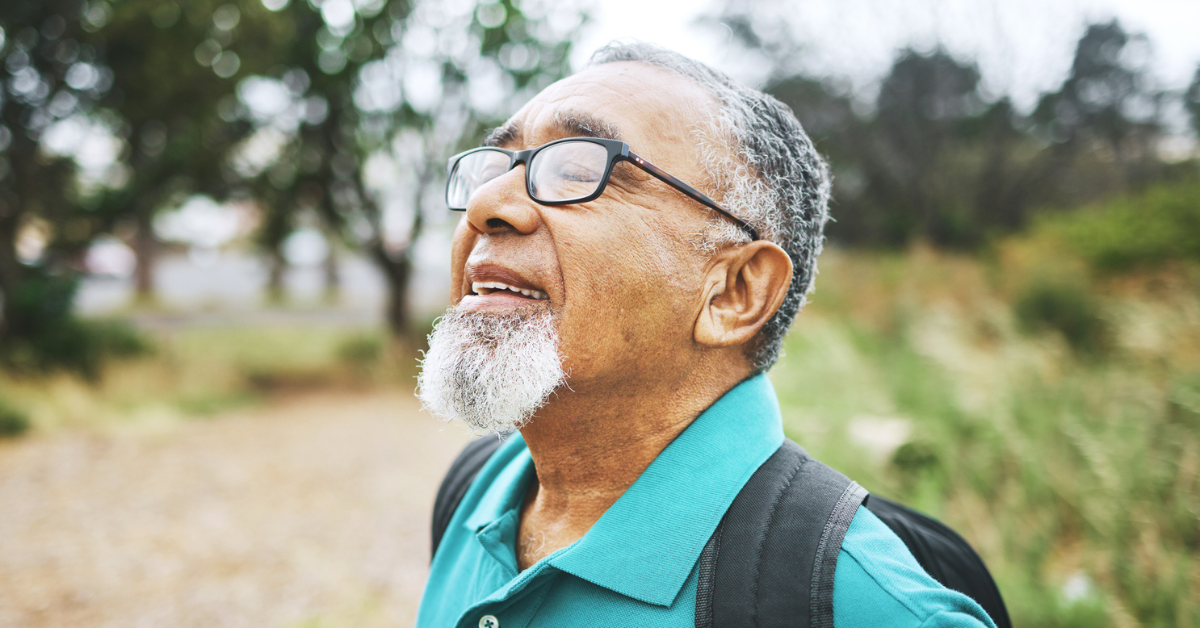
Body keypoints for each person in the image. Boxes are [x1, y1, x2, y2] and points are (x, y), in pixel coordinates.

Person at [415, 41, 997, 628]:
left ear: (734, 292)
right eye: (494, 167)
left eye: (577, 170)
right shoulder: (476, 492)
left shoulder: (867, 608)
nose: (486, 204)